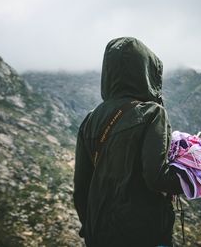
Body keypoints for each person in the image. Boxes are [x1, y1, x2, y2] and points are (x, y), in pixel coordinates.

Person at [73, 37, 182, 247]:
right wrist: (193, 179)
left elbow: (81, 188)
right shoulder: (152, 113)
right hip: (142, 233)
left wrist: (89, 227)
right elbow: (156, 178)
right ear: (146, 72)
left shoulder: (90, 119)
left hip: (99, 234)